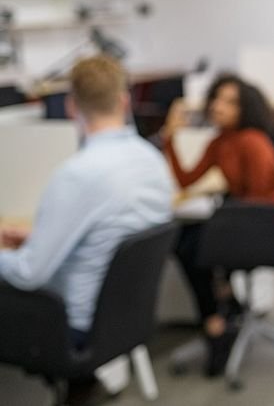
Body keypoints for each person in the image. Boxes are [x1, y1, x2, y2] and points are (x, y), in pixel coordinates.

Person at [0, 55, 174, 405]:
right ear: (124, 101)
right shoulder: (153, 160)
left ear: (70, 107)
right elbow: (110, 238)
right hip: (122, 320)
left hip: (68, 322)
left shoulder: (76, 174)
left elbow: (30, 274)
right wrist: (38, 238)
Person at [162, 74, 274, 376]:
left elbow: (260, 200)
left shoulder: (252, 141)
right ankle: (222, 312)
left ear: (246, 108)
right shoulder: (220, 141)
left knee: (191, 245)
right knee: (186, 241)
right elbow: (186, 179)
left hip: (269, 229)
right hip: (244, 220)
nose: (219, 107)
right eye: (217, 99)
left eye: (230, 102)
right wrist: (170, 137)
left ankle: (218, 318)